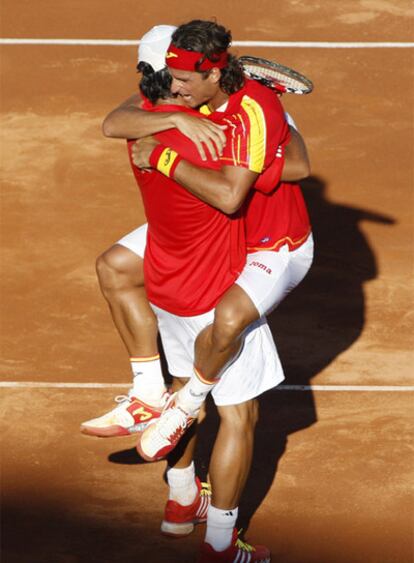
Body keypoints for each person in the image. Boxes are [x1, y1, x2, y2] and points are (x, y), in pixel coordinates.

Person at [82, 22, 313, 562]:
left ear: (211, 72)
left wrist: (165, 154)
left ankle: (183, 410)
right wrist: (182, 116)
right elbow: (115, 121)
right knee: (118, 268)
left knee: (222, 330)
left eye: (183, 82)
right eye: (168, 80)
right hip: (204, 242)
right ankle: (183, 490)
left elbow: (290, 169)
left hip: (268, 246)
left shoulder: (255, 112)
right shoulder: (172, 99)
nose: (171, 90)